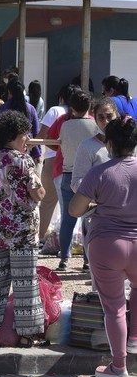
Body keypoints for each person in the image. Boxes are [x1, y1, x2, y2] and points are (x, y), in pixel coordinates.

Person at [69, 115, 137, 377]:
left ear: (109, 144)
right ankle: (134, 339)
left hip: (107, 244)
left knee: (114, 307)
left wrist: (93, 207)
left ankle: (119, 367)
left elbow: (75, 209)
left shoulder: (100, 172)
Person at [0, 110, 46, 347]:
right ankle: (27, 335)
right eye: (25, 134)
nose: (27, 139)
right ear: (16, 134)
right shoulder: (23, 160)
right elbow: (37, 192)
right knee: (24, 284)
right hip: (22, 233)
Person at [47, 89, 98, 271]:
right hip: (90, 176)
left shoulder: (65, 125)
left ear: (72, 106)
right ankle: (87, 259)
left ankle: (64, 259)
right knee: (89, 219)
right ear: (89, 106)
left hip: (68, 173)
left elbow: (55, 142)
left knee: (67, 219)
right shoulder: (95, 126)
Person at [71, 97, 118, 272]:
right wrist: (103, 193)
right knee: (100, 276)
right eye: (101, 117)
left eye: (109, 116)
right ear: (94, 118)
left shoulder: (130, 146)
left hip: (126, 220)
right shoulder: (87, 147)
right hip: (96, 217)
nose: (105, 121)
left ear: (117, 116)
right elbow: (77, 183)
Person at [36, 86, 69, 245]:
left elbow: (43, 135)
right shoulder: (82, 115)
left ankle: (41, 237)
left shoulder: (55, 110)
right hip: (72, 162)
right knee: (69, 204)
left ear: (61, 98)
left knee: (47, 202)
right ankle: (67, 241)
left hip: (52, 161)